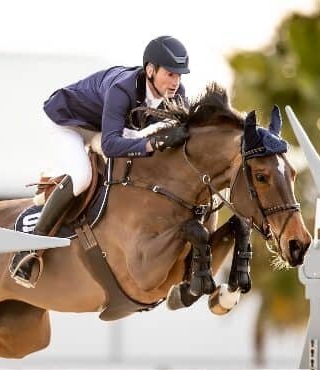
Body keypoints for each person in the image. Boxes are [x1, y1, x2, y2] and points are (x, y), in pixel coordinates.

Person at [10, 35, 193, 287]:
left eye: (179, 76)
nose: (176, 82)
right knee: (82, 177)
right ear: (151, 70)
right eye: (170, 74)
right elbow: (110, 144)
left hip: (103, 127)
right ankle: (29, 250)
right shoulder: (123, 89)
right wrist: (153, 144)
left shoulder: (176, 94)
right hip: (67, 122)